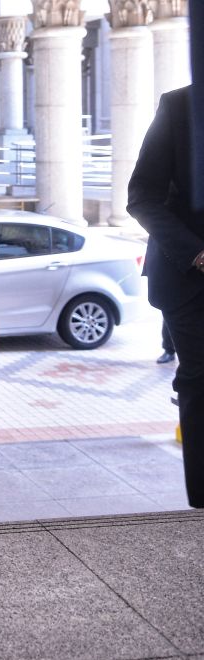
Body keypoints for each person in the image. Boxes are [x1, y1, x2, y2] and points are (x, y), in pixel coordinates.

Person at [128, 84, 204, 509]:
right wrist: (197, 254)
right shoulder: (178, 106)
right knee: (201, 379)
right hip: (190, 277)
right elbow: (140, 197)